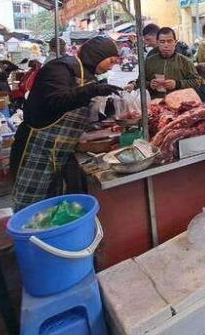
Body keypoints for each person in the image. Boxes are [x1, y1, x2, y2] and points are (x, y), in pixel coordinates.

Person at [10, 36, 122, 210]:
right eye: (111, 61)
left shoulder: (86, 75)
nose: (111, 66)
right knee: (32, 208)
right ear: (97, 55)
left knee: (53, 204)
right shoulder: (60, 68)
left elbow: (79, 109)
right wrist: (91, 91)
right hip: (36, 149)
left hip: (60, 150)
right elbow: (55, 101)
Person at [144, 27, 200, 99]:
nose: (166, 45)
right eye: (162, 41)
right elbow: (139, 82)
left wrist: (177, 84)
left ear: (175, 42)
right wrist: (149, 84)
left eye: (169, 41)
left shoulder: (185, 62)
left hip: (180, 104)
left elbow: (196, 82)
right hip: (156, 105)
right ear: (157, 43)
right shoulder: (149, 61)